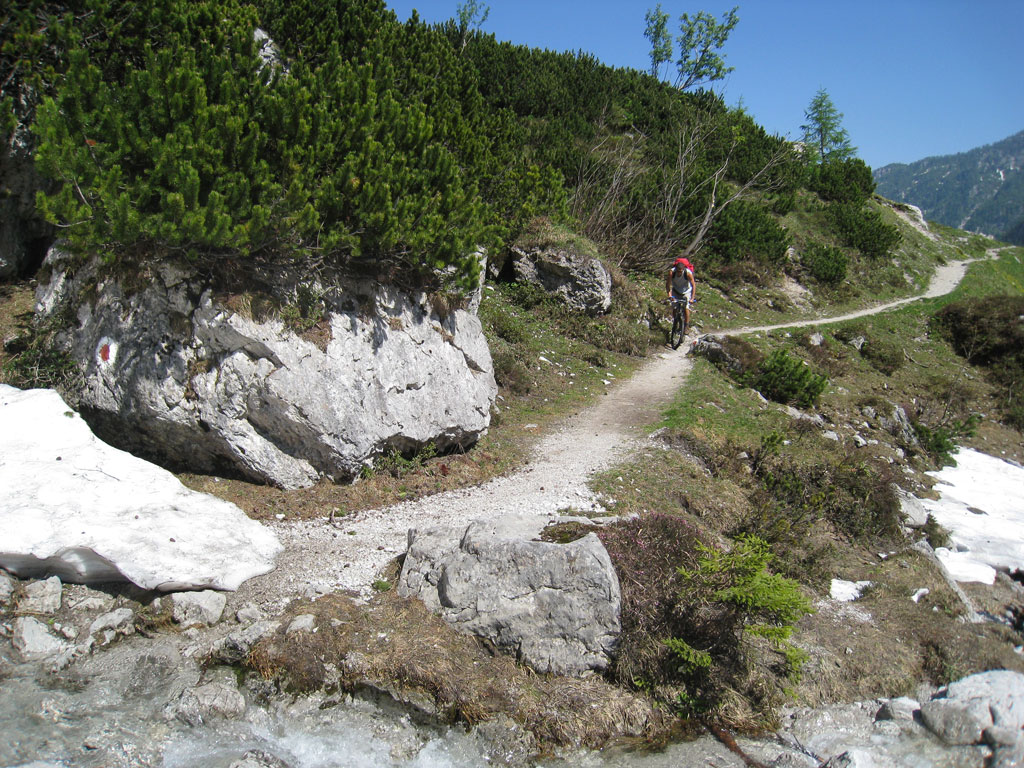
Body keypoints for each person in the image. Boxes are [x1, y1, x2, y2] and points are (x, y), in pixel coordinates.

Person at [666, 256, 696, 330]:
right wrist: (669, 295)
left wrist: (692, 298)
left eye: (680, 271)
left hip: (686, 291)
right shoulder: (671, 272)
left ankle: (686, 326)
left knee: (686, 308)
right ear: (675, 269)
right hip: (676, 290)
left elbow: (693, 285)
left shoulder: (688, 273)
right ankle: (675, 322)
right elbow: (668, 284)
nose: (679, 273)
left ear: (683, 269)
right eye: (678, 271)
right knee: (674, 307)